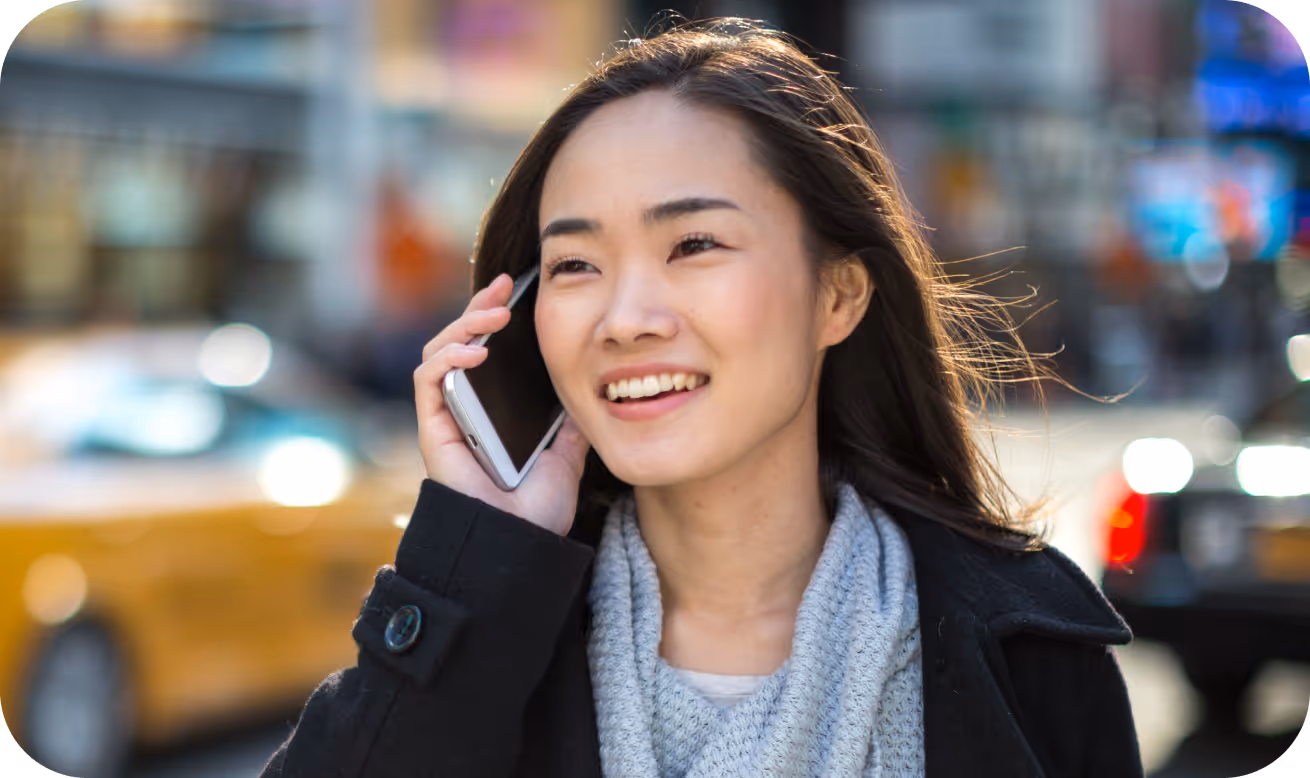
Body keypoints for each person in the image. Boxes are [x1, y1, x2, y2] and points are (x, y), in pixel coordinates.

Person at [260, 19, 1142, 778]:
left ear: (837, 297)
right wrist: (477, 558)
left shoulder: (1031, 653)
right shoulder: (488, 638)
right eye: (575, 264)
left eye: (693, 244)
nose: (625, 318)